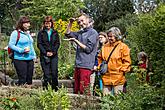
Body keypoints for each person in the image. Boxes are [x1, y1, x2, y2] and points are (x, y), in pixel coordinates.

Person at [65, 13, 98, 95]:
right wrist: (70, 23)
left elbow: (88, 49)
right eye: (79, 22)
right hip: (78, 64)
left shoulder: (93, 33)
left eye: (82, 20)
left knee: (84, 89)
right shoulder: (80, 32)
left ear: (87, 20)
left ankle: (86, 106)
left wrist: (76, 41)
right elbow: (67, 34)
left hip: (86, 65)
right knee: (76, 90)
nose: (81, 23)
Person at [98, 27, 131, 96]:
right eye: (108, 36)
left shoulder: (123, 47)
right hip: (106, 77)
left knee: (117, 100)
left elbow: (127, 62)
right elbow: (100, 58)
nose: (109, 38)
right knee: (105, 99)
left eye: (111, 36)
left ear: (117, 36)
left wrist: (121, 71)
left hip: (118, 77)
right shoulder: (104, 47)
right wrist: (100, 67)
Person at [8, 16, 36, 87]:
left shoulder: (27, 33)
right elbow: (11, 45)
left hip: (30, 59)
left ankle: (29, 95)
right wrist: (22, 50)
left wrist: (34, 55)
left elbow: (31, 45)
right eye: (26, 23)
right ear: (21, 24)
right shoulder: (15, 33)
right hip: (20, 59)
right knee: (22, 79)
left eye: (28, 23)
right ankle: (22, 94)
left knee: (29, 80)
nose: (28, 25)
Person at [37, 16, 60, 91]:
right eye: (46, 23)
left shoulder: (55, 32)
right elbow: (39, 44)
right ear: (44, 24)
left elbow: (57, 43)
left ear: (51, 23)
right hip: (44, 56)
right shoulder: (41, 33)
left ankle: (55, 90)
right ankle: (46, 90)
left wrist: (53, 52)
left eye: (49, 23)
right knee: (47, 74)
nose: (47, 25)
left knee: (54, 73)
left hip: (54, 56)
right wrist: (45, 52)